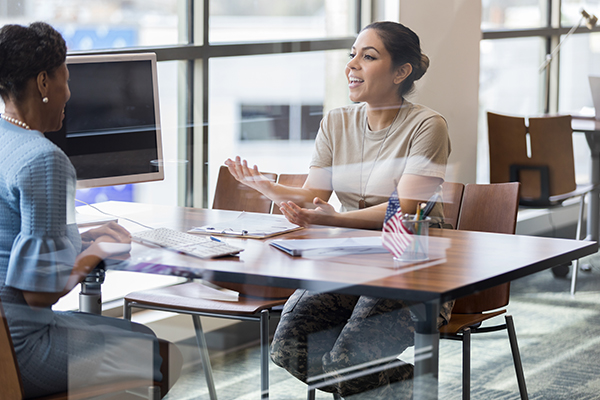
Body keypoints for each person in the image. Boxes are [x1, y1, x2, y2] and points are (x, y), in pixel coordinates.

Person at [226, 21, 452, 398]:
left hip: (415, 267)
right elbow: (315, 192)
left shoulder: (428, 126)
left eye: (368, 56)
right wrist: (270, 187)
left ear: (401, 72)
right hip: (352, 262)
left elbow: (405, 208)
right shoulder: (335, 121)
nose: (352, 65)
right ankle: (407, 387)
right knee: (289, 348)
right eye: (352, 55)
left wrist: (333, 218)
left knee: (346, 359)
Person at [0, 22, 181, 398]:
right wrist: (97, 252)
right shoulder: (45, 159)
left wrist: (80, 238)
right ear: (44, 83)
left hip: (6, 338)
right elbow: (40, 294)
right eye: (66, 79)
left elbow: (14, 237)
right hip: (22, 349)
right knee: (159, 352)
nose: (70, 93)